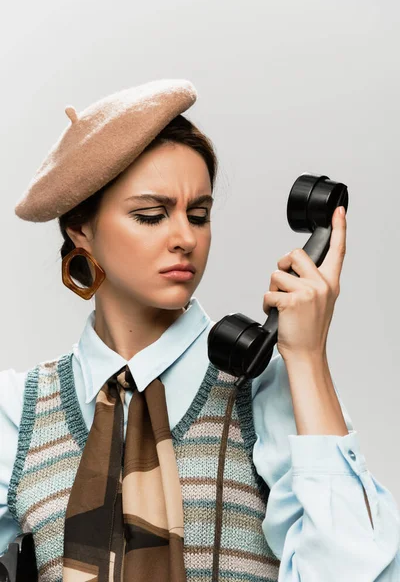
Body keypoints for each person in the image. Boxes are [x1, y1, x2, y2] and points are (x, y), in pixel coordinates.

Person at [0, 79, 399, 581]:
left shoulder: (266, 391)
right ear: (81, 228)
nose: (185, 238)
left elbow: (361, 572)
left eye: (199, 214)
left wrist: (308, 360)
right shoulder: (19, 413)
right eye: (151, 215)